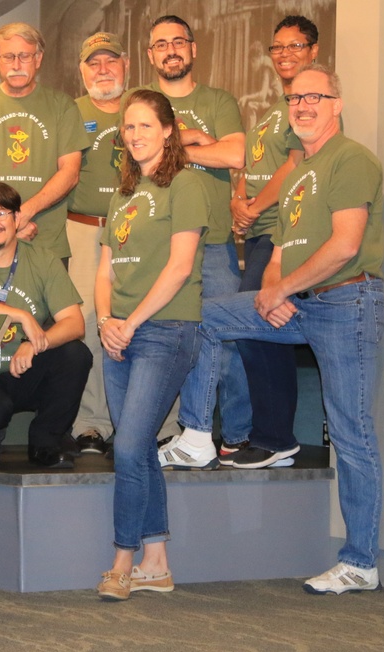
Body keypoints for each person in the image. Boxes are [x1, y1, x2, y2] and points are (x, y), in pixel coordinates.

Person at [192, 65, 384, 594]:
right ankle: (194, 437)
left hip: (348, 302)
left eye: (314, 97)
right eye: (295, 98)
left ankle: (361, 562)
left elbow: (345, 245)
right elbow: (278, 249)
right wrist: (272, 291)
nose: (302, 105)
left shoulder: (351, 159)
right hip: (301, 302)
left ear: (336, 105)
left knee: (351, 431)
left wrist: (284, 290)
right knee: (206, 316)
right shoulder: (300, 171)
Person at [94, 89, 208, 601]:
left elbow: (180, 266)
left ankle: (122, 558)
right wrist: (104, 320)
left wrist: (131, 321)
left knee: (128, 446)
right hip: (120, 332)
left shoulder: (186, 185)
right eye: (128, 126)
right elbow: (105, 269)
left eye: (145, 125)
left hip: (165, 329)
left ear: (168, 129)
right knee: (137, 448)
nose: (135, 134)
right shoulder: (121, 194)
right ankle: (156, 562)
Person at [141, 15, 249, 469]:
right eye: (161, 44)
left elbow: (236, 153)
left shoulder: (219, 100)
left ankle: (240, 434)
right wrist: (191, 142)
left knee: (227, 338)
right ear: (151, 55)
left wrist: (170, 147)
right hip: (157, 247)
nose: (171, 50)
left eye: (178, 42)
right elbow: (130, 155)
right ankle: (189, 433)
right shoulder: (141, 102)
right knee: (175, 341)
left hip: (215, 242)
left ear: (193, 49)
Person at [216, 16, 323, 467]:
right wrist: (240, 201)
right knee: (259, 326)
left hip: (285, 233)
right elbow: (252, 164)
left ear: (314, 51)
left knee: (257, 326)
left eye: (295, 46)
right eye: (277, 47)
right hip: (260, 231)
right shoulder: (275, 108)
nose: (284, 54)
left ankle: (276, 437)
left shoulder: (309, 105)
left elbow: (297, 165)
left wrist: (256, 206)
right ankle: (270, 435)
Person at [0, 181, 90, 468]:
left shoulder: (42, 259)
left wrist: (32, 344)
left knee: (75, 355)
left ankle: (46, 442)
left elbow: (74, 323)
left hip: (22, 368)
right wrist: (19, 315)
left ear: (17, 218)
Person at [0, 22, 88, 261]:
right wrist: (3, 220)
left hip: (46, 244)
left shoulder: (63, 106)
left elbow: (70, 172)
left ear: (38, 58)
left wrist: (19, 217)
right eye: (9, 56)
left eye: (24, 56)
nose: (16, 65)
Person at [66, 32, 129, 456]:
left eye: (110, 61)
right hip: (85, 229)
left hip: (140, 230)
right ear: (82, 70)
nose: (102, 70)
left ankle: (156, 424)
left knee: (146, 325)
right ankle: (91, 423)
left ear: (126, 63)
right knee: (88, 323)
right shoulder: (69, 112)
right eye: (93, 63)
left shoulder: (147, 104)